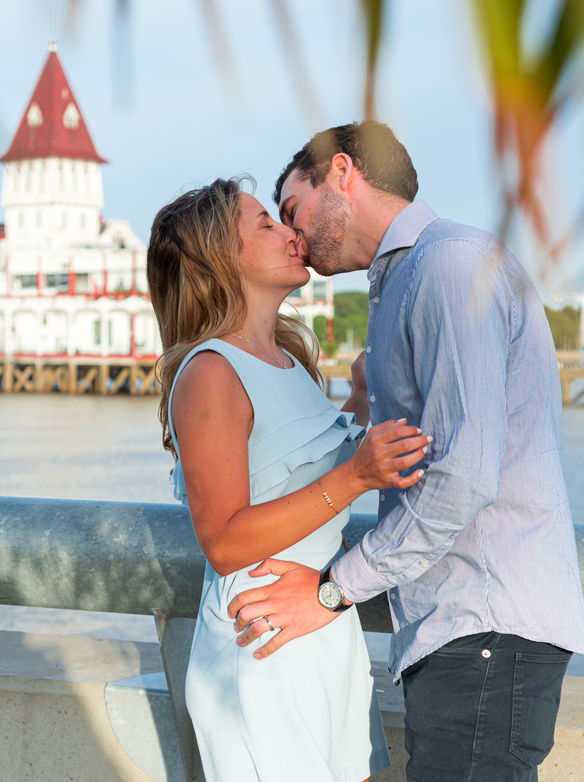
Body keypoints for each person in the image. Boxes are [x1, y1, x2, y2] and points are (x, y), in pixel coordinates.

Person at [226, 122, 584, 781]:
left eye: (292, 208)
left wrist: (336, 590)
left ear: (342, 173)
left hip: (484, 626)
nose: (294, 236)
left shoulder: (447, 264)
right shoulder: (406, 280)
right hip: (464, 628)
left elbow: (464, 473)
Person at [146, 177, 434, 781]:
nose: (290, 232)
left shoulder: (287, 359)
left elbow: (293, 469)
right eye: (265, 225)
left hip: (319, 623)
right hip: (262, 642)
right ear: (219, 259)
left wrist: (359, 403)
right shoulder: (209, 373)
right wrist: (357, 477)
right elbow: (223, 541)